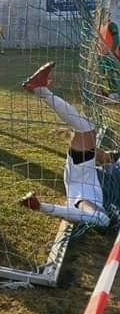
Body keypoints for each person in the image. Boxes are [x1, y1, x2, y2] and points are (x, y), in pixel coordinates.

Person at [20, 62, 116, 227]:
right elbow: (104, 157)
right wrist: (80, 142)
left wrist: (43, 207)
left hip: (82, 184)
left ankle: (39, 89)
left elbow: (98, 216)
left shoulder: (85, 197)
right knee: (86, 129)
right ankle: (39, 88)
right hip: (87, 171)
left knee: (102, 220)